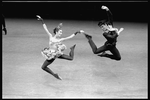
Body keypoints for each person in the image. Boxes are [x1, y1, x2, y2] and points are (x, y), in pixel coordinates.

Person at [37, 15, 82, 80]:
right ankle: (54, 75)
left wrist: (76, 32)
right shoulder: (50, 36)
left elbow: (69, 37)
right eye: (60, 32)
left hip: (56, 53)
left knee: (71, 58)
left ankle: (72, 49)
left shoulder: (60, 39)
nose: (61, 33)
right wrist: (42, 20)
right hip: (51, 54)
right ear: (56, 32)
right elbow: (45, 28)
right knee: (43, 67)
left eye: (61, 32)